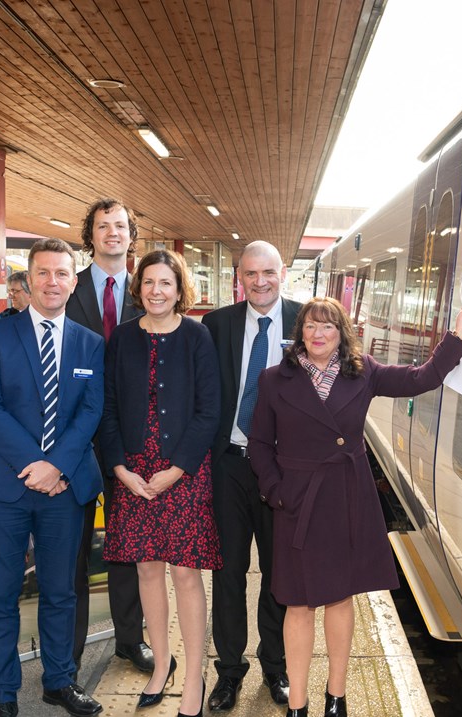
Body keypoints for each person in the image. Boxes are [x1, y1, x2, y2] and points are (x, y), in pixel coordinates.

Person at [250, 296, 462, 717]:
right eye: (311, 326)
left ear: (341, 333)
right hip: (297, 501)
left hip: (344, 497)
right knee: (298, 603)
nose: (318, 334)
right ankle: (297, 702)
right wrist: (276, 491)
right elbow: (260, 443)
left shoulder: (363, 371)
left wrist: (456, 336)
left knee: (339, 598)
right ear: (300, 332)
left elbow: (421, 378)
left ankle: (337, 695)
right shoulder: (275, 379)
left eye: (328, 327)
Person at [0, 238, 105, 717]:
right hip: (1, 486)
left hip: (64, 488)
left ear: (73, 280)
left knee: (61, 591)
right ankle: (2, 695)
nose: (52, 282)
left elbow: (90, 412)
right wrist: (35, 466)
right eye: (43, 273)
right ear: (28, 279)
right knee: (0, 595)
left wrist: (56, 466)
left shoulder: (90, 344)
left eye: (62, 273)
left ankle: (60, 681)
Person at [100, 249, 221, 717]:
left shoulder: (197, 336)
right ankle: (161, 662)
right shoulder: (123, 339)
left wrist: (176, 470)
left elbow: (209, 410)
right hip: (133, 474)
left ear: (179, 289)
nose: (156, 291)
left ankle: (194, 676)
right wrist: (120, 470)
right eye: (148, 282)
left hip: (182, 471)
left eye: (165, 283)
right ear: (139, 288)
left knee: (186, 573)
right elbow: (108, 409)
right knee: (147, 568)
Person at [202, 241, 301, 710]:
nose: (260, 281)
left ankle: (275, 667)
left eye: (268, 272)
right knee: (228, 573)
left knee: (279, 575)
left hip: (283, 471)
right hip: (230, 465)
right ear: (238, 277)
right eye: (250, 274)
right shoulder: (217, 324)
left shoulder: (308, 322)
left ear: (283, 271)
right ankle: (228, 671)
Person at [66, 198, 152, 674]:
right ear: (91, 235)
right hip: (75, 439)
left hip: (130, 438)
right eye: (103, 226)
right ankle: (70, 653)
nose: (112, 233)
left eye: (120, 225)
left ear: (130, 234)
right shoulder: (67, 288)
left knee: (126, 546)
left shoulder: (149, 292)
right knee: (72, 552)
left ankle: (128, 640)